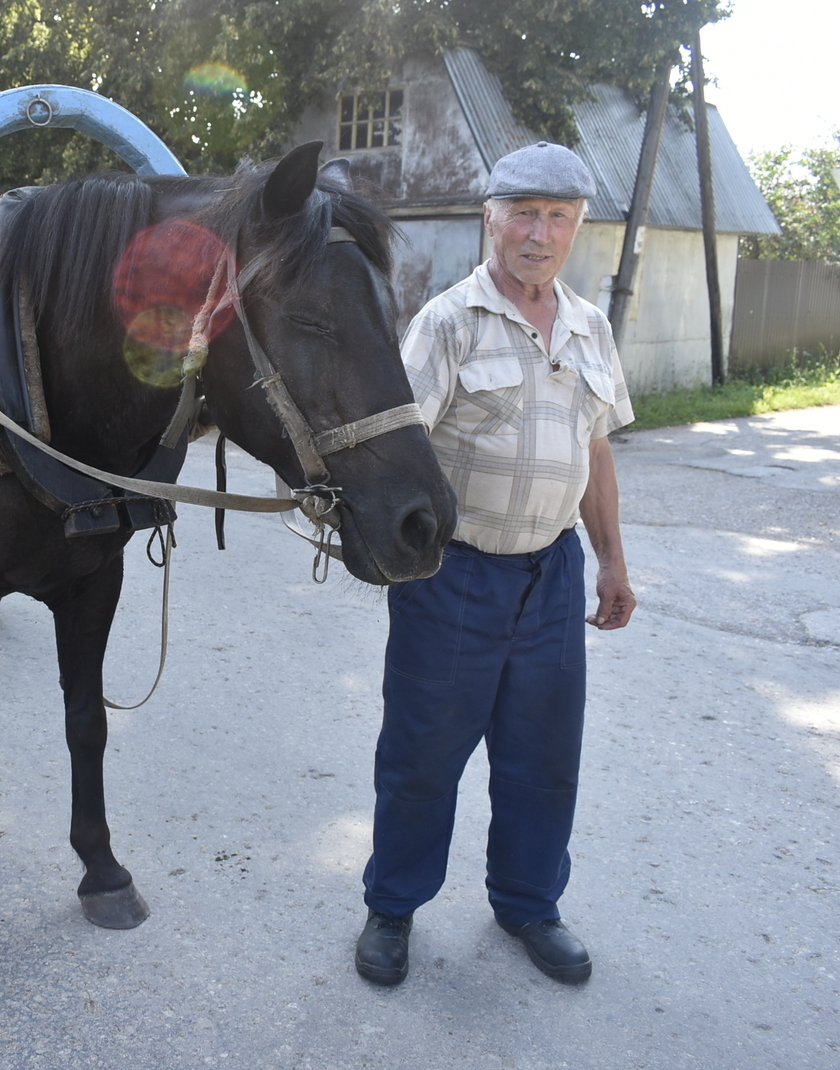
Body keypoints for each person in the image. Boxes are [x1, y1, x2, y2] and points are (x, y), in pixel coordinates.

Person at [354, 141, 637, 988]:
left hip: (550, 577)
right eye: (523, 213)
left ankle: (528, 905)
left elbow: (597, 451)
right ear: (491, 217)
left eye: (558, 216)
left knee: (544, 758)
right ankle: (393, 908)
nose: (538, 234)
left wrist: (612, 562)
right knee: (422, 757)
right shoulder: (447, 322)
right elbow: (396, 450)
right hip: (455, 577)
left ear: (579, 226)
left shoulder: (589, 327)